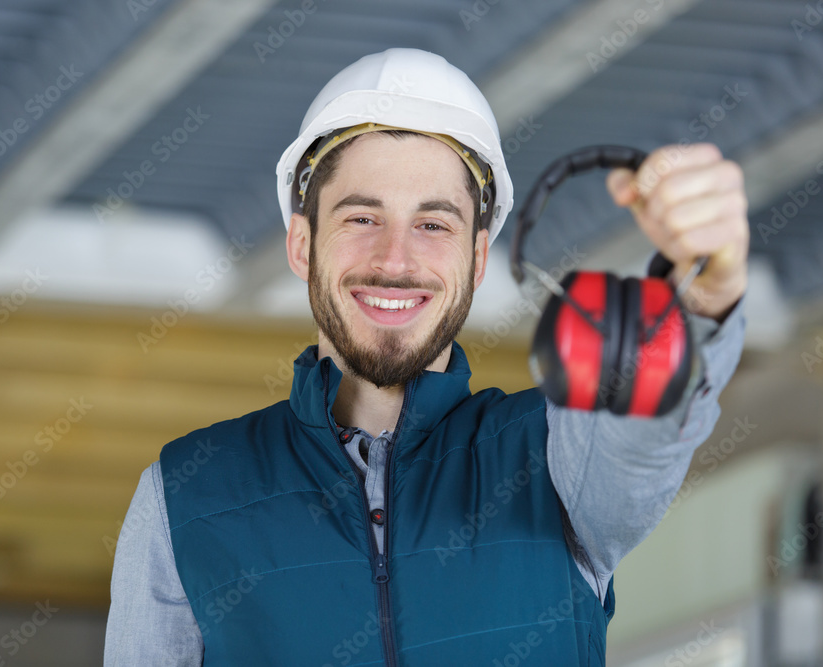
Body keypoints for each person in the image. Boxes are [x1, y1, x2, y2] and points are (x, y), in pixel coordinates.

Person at [104, 48, 747, 666]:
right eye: (361, 218)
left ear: (477, 258)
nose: (394, 260)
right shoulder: (186, 492)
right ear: (302, 245)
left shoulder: (555, 451)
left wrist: (709, 295)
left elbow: (641, 436)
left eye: (434, 224)